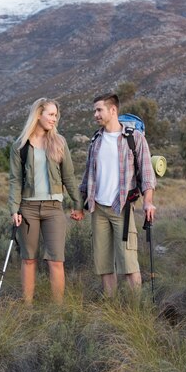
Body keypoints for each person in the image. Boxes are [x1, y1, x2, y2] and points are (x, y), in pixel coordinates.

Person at [80, 93, 157, 297]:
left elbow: (147, 174)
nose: (95, 114)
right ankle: (111, 304)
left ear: (113, 110)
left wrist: (148, 202)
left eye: (99, 110)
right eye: (94, 111)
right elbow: (87, 175)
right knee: (104, 263)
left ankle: (136, 307)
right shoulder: (96, 140)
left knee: (129, 263)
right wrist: (81, 205)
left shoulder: (133, 138)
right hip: (98, 209)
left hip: (121, 208)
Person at [8, 98, 84, 305]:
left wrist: (78, 204)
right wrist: (14, 209)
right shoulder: (20, 146)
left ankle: (58, 309)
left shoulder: (59, 142)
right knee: (29, 259)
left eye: (55, 115)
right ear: (38, 114)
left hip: (53, 208)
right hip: (28, 208)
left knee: (56, 260)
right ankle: (27, 307)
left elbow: (68, 176)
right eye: (50, 114)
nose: (54, 118)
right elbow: (15, 180)